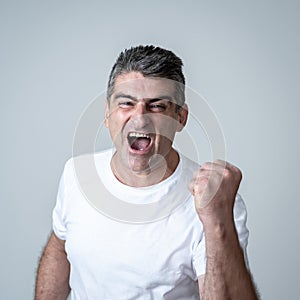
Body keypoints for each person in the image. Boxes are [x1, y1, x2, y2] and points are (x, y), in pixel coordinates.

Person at [35, 45, 258, 299]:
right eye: (126, 103)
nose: (140, 118)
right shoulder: (77, 173)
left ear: (181, 117)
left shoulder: (212, 201)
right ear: (107, 114)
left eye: (157, 106)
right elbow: (60, 247)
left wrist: (216, 224)